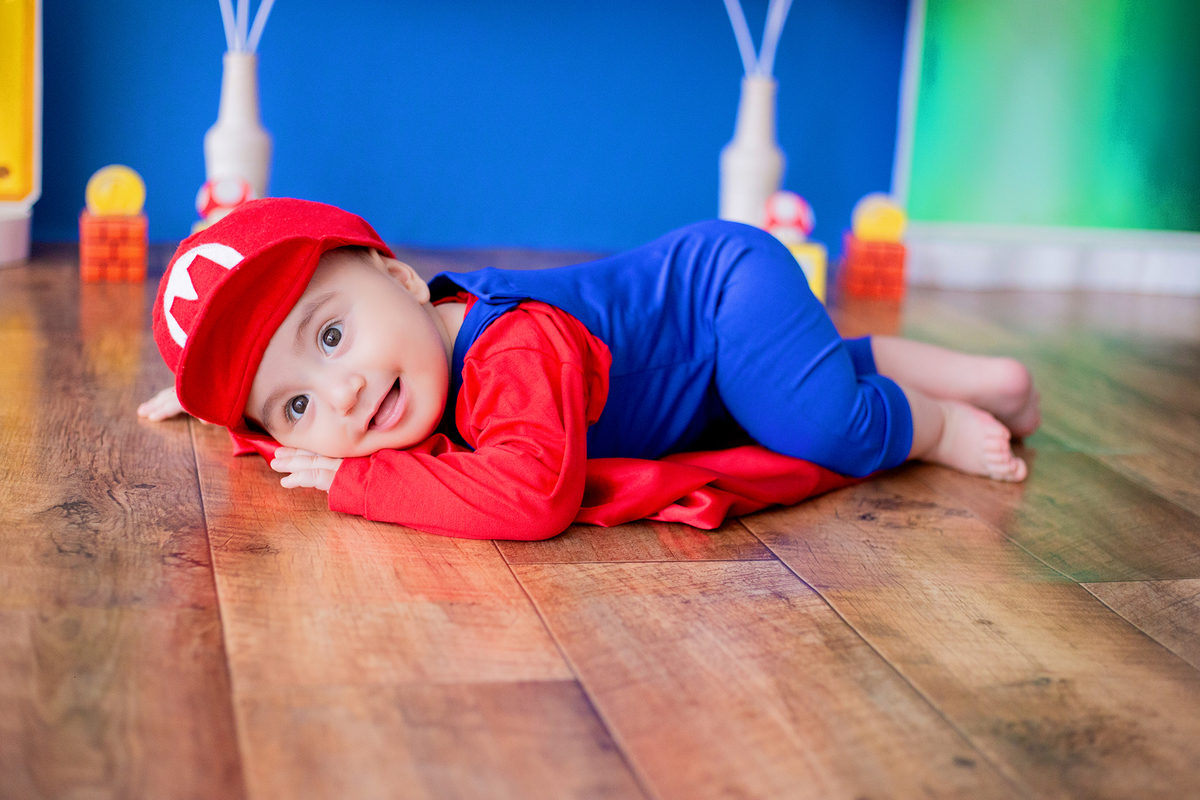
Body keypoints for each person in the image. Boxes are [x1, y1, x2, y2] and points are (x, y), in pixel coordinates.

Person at [139, 198, 1039, 540]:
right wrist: (220, 402)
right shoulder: (403, 349)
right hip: (709, 372)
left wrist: (359, 481)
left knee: (815, 425)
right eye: (292, 404)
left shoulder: (511, 350)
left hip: (722, 290)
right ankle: (975, 376)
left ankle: (934, 422)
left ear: (400, 277)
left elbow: (534, 497)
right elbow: (289, 425)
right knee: (785, 384)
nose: (339, 395)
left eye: (330, 339)